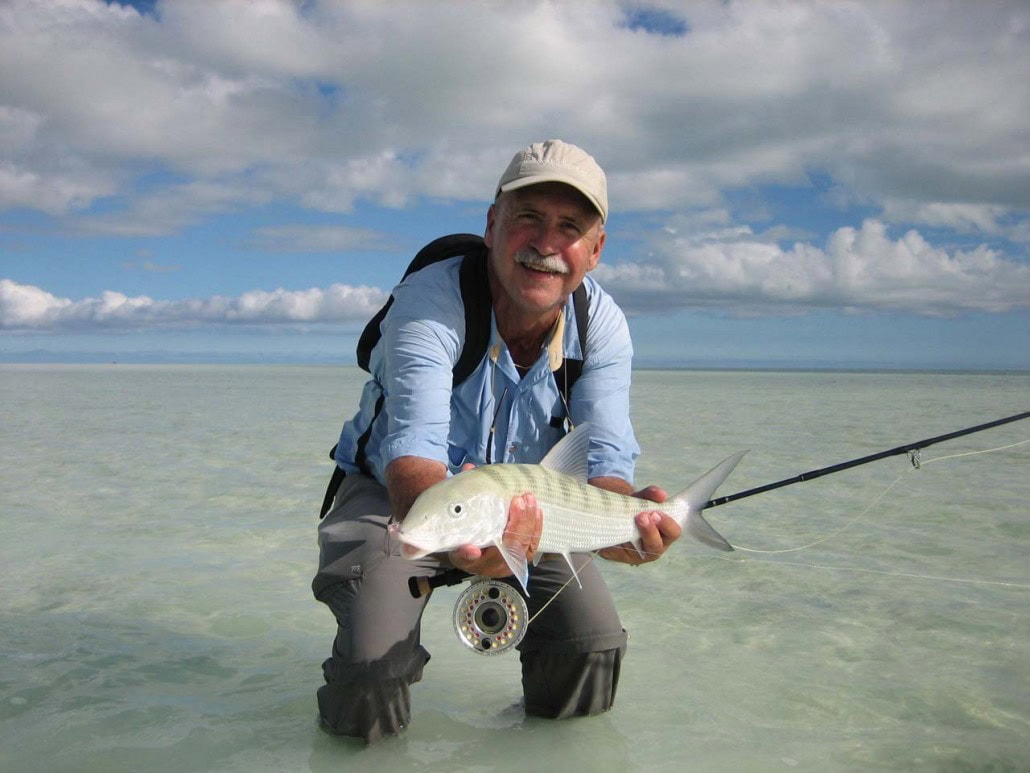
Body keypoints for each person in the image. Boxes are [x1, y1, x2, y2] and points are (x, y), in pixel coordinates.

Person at [312, 140, 681, 744]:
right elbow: (412, 453)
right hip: (399, 501)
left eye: (570, 227)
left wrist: (626, 519)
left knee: (591, 647)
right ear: (492, 225)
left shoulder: (603, 325)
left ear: (596, 249)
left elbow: (606, 463)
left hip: (537, 506)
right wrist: (461, 539)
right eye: (527, 218)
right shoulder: (431, 302)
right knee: (370, 669)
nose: (545, 244)